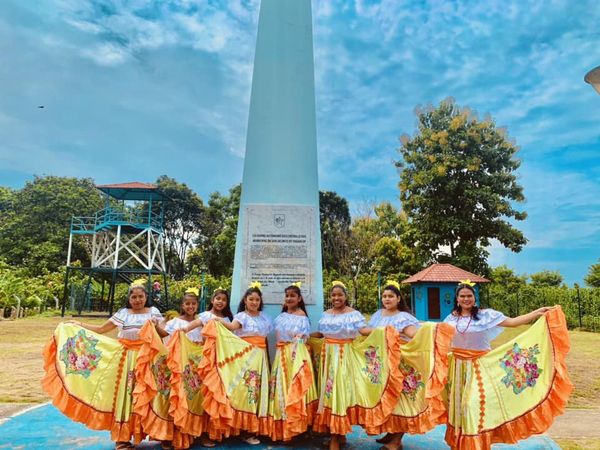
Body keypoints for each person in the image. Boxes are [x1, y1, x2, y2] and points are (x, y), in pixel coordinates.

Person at [443, 280, 573, 450]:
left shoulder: (486, 315)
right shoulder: (451, 318)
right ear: (457, 298)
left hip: (480, 367)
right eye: (462, 296)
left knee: (472, 405)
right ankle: (460, 444)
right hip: (458, 369)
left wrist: (537, 312)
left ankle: (475, 445)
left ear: (475, 298)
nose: (466, 299)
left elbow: (513, 322)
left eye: (469, 296)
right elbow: (440, 335)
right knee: (459, 408)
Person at [42, 279, 166, 450]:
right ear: (129, 299)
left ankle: (161, 433)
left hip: (149, 360)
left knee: (154, 395)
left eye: (141, 296)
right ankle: (122, 438)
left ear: (146, 297)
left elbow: (164, 334)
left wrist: (155, 326)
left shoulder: (154, 312)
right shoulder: (123, 313)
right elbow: (101, 329)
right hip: (127, 361)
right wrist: (79, 325)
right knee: (126, 397)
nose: (137, 300)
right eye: (134, 297)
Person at [310, 281, 403, 450]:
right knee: (330, 396)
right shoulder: (326, 314)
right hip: (327, 358)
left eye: (340, 295)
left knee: (339, 396)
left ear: (346, 296)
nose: (336, 298)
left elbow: (363, 330)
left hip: (344, 357)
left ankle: (335, 439)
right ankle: (340, 436)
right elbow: (322, 333)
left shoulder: (353, 314)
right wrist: (305, 337)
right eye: (333, 295)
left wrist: (384, 330)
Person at [363, 281, 454, 450]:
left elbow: (414, 334)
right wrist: (385, 331)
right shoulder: (378, 315)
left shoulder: (403, 317)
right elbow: (366, 331)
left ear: (398, 299)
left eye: (391, 296)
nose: (387, 299)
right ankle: (391, 433)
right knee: (389, 399)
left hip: (400, 363)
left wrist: (430, 330)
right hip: (383, 363)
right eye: (384, 296)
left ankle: (396, 441)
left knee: (402, 400)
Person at [198, 283, 272, 445]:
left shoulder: (265, 317)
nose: (254, 302)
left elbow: (265, 340)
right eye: (251, 299)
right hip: (245, 358)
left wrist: (267, 360)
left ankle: (249, 430)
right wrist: (217, 320)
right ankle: (237, 429)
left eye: (257, 300)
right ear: (245, 300)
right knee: (243, 392)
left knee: (255, 394)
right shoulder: (241, 317)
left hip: (260, 359)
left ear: (260, 301)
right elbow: (232, 327)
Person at [165, 287, 234, 448]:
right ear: (212, 300)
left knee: (204, 397)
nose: (220, 302)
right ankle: (181, 434)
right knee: (186, 395)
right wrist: (182, 330)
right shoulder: (205, 316)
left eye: (224, 300)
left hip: (210, 362)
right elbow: (192, 326)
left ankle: (203, 433)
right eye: (218, 298)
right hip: (190, 362)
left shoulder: (228, 319)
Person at [266, 283, 318, 442]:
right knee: (281, 388)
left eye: (292, 296)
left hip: (295, 355)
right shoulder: (281, 316)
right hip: (281, 355)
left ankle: (297, 428)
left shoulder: (302, 316)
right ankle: (283, 429)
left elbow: (303, 338)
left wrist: (297, 345)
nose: (289, 298)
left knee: (294, 387)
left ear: (299, 298)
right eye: (287, 296)